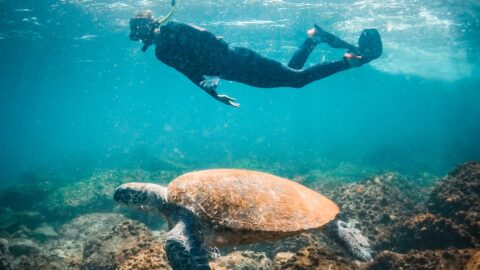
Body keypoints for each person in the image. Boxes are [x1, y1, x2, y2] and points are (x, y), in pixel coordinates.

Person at [129, 8, 382, 108]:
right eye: (136, 32)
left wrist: (215, 69)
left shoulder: (174, 29)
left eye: (140, 28)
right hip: (234, 70)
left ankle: (349, 61)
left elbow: (212, 39)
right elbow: (191, 74)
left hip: (237, 60)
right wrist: (213, 94)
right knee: (290, 73)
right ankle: (314, 39)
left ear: (150, 23)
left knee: (296, 80)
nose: (140, 35)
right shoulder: (161, 53)